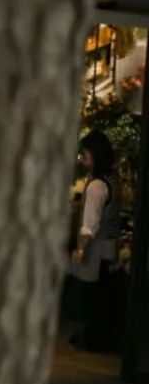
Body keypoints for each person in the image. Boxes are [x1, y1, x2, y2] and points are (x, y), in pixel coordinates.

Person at [70, 130, 124, 352]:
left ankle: (92, 340)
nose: (82, 158)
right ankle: (99, 337)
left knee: (92, 297)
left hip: (97, 248)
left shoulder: (95, 186)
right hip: (110, 246)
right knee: (103, 296)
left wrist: (80, 249)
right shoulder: (112, 179)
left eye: (85, 154)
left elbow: (89, 225)